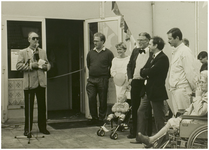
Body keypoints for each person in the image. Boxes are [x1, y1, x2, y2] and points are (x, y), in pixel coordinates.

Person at [136, 70, 208, 148]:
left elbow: (201, 112)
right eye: (199, 82)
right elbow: (193, 108)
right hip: (193, 119)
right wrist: (184, 114)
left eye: (203, 82)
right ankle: (154, 141)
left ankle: (152, 140)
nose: (200, 85)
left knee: (171, 123)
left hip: (197, 122)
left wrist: (198, 97)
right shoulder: (203, 93)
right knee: (172, 122)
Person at [132, 36, 169, 144]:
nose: (149, 46)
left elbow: (151, 72)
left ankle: (162, 140)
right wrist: (146, 71)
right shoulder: (152, 57)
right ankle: (141, 137)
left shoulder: (162, 58)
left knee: (159, 117)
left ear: (156, 45)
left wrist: (146, 72)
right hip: (147, 90)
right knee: (141, 111)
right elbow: (143, 70)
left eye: (151, 44)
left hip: (156, 91)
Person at [16, 32, 51, 137]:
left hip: (41, 83)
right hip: (30, 84)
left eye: (37, 38)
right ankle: (28, 129)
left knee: (42, 107)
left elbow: (48, 64)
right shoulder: (23, 52)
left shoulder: (42, 52)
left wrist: (46, 67)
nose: (36, 40)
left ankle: (43, 128)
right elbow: (18, 66)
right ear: (29, 40)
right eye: (34, 38)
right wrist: (31, 66)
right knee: (29, 108)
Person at [167, 28, 199, 115]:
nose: (168, 41)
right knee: (178, 119)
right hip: (176, 90)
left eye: (170, 39)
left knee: (185, 119)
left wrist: (195, 89)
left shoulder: (185, 51)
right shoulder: (177, 51)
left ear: (177, 38)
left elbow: (190, 72)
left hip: (182, 90)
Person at [127, 32, 152, 138]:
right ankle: (135, 132)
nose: (140, 42)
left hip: (146, 82)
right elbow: (130, 65)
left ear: (148, 41)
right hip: (136, 82)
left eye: (142, 40)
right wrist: (130, 78)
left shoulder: (152, 52)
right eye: (139, 40)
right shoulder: (135, 51)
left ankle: (147, 132)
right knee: (135, 106)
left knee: (146, 108)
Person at [86, 32, 114, 126]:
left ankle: (101, 119)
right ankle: (94, 118)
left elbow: (112, 66)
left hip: (103, 79)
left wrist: (106, 76)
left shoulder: (108, 53)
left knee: (103, 99)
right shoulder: (90, 53)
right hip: (91, 79)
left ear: (102, 41)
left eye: (97, 41)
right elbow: (89, 65)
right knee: (91, 98)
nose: (95, 43)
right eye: (94, 41)